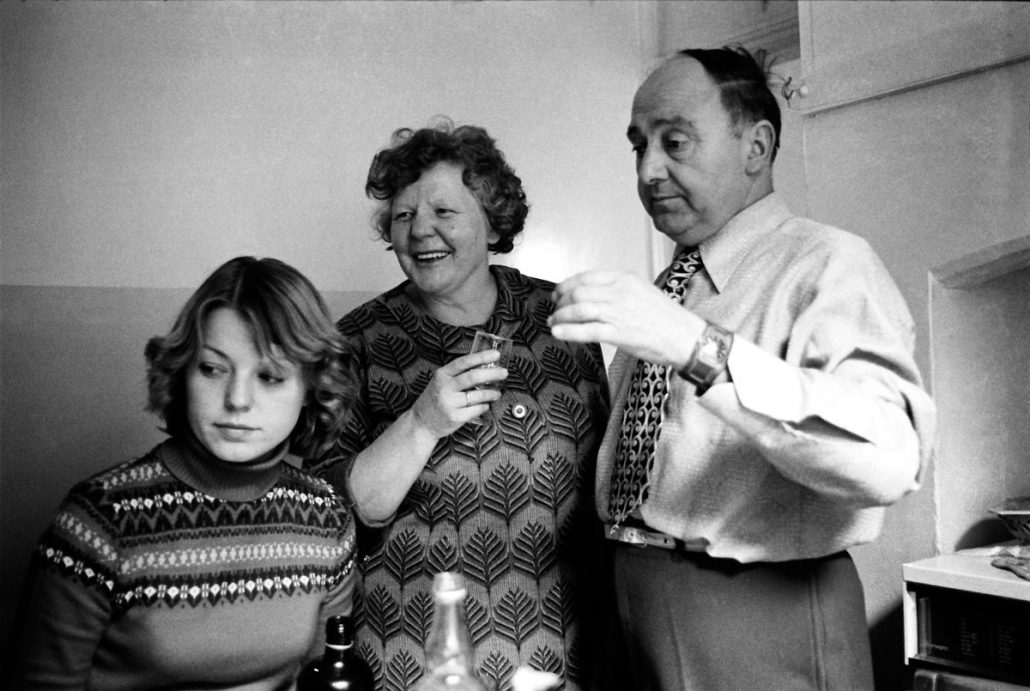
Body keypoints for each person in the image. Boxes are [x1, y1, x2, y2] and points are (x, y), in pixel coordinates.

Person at [548, 47, 936, 690]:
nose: (649, 170)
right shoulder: (674, 285)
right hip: (634, 605)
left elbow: (890, 459)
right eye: (638, 146)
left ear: (756, 146)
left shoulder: (830, 263)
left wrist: (696, 348)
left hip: (762, 611)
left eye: (675, 141)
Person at [309, 120, 610, 691]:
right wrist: (421, 423)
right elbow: (328, 519)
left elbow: (606, 486)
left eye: (444, 212)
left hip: (563, 655)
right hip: (416, 659)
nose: (421, 230)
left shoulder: (564, 320)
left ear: (493, 220)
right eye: (403, 216)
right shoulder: (355, 344)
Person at [8, 256, 358, 690]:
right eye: (213, 369)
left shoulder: (325, 519)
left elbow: (323, 680)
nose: (237, 400)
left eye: (269, 377)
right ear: (183, 372)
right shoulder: (100, 519)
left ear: (310, 389)